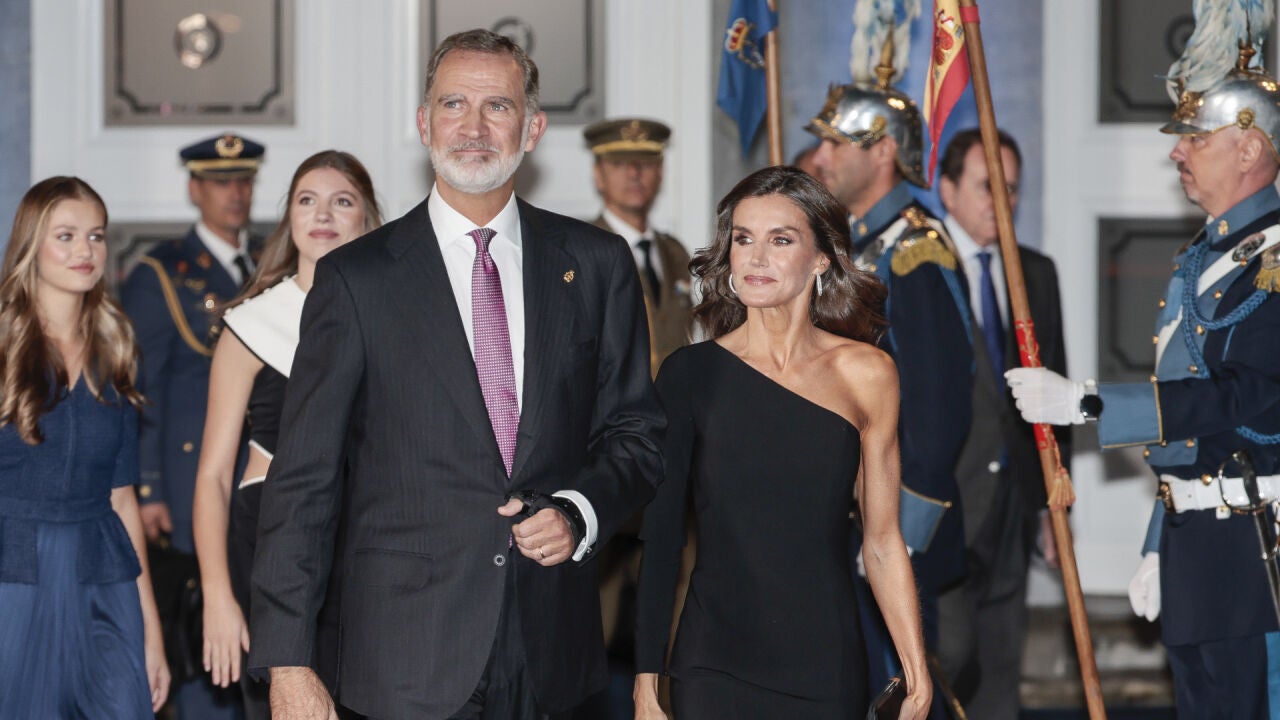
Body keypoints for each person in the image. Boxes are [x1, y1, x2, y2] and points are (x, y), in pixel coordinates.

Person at [247, 29, 665, 720]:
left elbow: (637, 433)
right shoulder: (357, 279)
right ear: (423, 123)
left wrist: (578, 511)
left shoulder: (595, 264)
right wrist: (288, 661)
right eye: (453, 104)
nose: (473, 127)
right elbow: (303, 480)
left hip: (550, 652)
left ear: (531, 129)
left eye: (497, 107)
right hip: (402, 654)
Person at [1008, 49, 1280, 718]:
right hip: (1197, 548)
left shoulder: (1272, 265)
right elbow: (1194, 421)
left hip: (1255, 555)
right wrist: (1160, 542)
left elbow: (1245, 399)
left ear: (1248, 150)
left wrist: (1089, 402)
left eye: (1196, 138)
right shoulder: (1207, 256)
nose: (1177, 154)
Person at [632, 165, 930, 719]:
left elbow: (883, 539)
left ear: (821, 258)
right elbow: (664, 536)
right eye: (743, 239)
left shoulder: (867, 374)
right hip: (711, 661)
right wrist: (646, 682)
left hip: (824, 659)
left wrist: (916, 670)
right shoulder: (690, 375)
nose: (755, 257)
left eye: (780, 240)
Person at [191, 151, 383, 718]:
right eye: (306, 200)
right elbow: (211, 476)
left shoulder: (398, 320)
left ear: (367, 219)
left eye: (341, 200)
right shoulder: (250, 325)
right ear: (289, 219)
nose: (322, 213)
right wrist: (219, 599)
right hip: (270, 546)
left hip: (370, 549)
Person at [806, 68, 972, 689]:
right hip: (853, 515)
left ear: (881, 152)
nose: (819, 158)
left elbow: (939, 408)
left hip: (891, 528)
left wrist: (901, 532)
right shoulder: (862, 244)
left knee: (898, 689)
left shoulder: (912, 253)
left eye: (835, 144)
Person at [0, 176, 170, 715]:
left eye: (96, 237)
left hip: (104, 574)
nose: (85, 251)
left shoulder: (116, 349)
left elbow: (123, 498)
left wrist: (151, 631)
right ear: (32, 246)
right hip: (15, 572)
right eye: (66, 236)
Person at [120, 132, 263, 717]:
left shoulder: (266, 262)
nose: (237, 192)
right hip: (185, 483)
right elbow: (140, 388)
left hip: (251, 476)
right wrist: (147, 485)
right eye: (222, 181)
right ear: (194, 188)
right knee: (202, 626)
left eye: (245, 180)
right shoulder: (162, 273)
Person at [934, 128, 1067, 719]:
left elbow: (1052, 390)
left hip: (1012, 504)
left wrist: (1050, 500)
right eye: (988, 186)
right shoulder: (918, 271)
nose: (1002, 201)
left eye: (1011, 189)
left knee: (1001, 662)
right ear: (947, 188)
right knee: (946, 658)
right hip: (945, 502)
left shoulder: (1034, 273)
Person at [584, 117, 693, 369]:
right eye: (619, 163)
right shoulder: (582, 250)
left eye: (645, 162)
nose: (634, 173)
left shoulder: (675, 253)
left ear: (661, 171)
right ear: (598, 175)